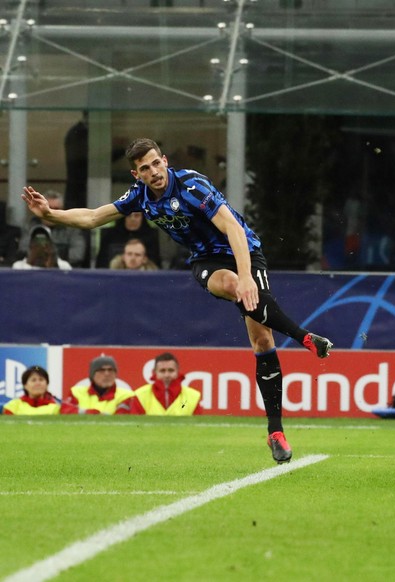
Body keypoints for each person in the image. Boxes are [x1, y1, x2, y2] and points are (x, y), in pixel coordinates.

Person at [23, 137, 333, 463]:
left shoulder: (192, 185)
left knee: (261, 339)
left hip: (244, 252)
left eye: (156, 163)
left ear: (165, 160)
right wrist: (50, 215)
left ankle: (275, 431)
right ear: (136, 174)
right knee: (229, 285)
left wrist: (246, 277)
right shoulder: (140, 196)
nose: (154, 172)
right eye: (145, 168)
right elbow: (93, 217)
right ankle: (305, 337)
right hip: (206, 262)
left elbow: (234, 229)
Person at [18, 190, 88, 267]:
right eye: (49, 208)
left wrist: (51, 257)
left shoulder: (72, 228)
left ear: (62, 210)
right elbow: (23, 250)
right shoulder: (30, 225)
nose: (52, 212)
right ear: (40, 209)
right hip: (33, 267)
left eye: (56, 208)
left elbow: (77, 255)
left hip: (64, 270)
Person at [128, 352, 203, 415]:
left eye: (171, 370)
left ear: (177, 371)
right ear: (155, 372)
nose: (167, 375)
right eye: (162, 371)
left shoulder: (192, 396)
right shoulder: (140, 395)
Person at [65, 355, 135, 415]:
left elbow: (122, 417)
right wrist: (87, 412)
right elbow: (65, 411)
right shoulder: (76, 392)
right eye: (101, 370)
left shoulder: (127, 395)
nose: (107, 374)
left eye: (110, 370)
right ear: (92, 374)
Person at [94, 211, 162, 269]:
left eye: (137, 215)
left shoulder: (151, 237)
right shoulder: (110, 236)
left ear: (142, 217)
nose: (133, 219)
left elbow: (155, 266)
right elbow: (101, 265)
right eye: (129, 215)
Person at [3, 366, 76, 415]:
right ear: (25, 385)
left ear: (47, 384)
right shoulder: (13, 406)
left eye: (41, 380)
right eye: (33, 380)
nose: (38, 383)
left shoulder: (58, 406)